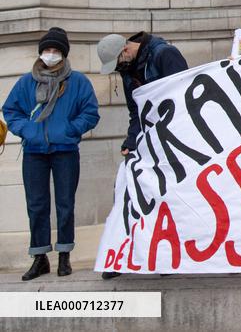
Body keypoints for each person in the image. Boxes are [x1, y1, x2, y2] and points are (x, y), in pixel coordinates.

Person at [2, 27, 99, 280]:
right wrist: (28, 131)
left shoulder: (78, 82)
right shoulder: (26, 82)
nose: (51, 54)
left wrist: (70, 129)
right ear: (41, 52)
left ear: (64, 54)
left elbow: (90, 113)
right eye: (47, 50)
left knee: (65, 204)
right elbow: (11, 111)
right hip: (34, 151)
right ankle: (40, 257)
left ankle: (65, 255)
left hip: (65, 150)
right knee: (36, 205)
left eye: (56, 50)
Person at [96, 30, 188, 279]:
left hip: (174, 138)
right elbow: (135, 112)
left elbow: (183, 98)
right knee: (124, 189)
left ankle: (166, 257)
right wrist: (131, 140)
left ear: (125, 51)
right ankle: (118, 255)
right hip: (149, 139)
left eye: (117, 63)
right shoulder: (128, 70)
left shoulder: (164, 54)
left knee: (170, 197)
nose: (117, 69)